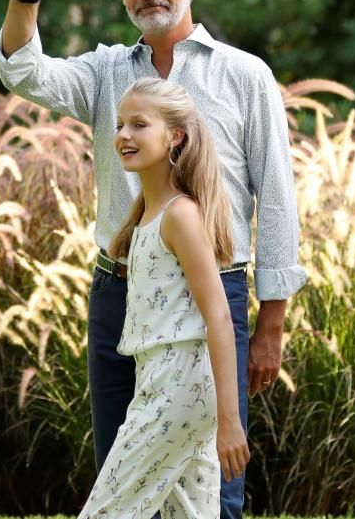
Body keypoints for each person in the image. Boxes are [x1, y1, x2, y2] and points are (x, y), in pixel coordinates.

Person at [0, 0, 306, 519]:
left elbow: (277, 198)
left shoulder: (244, 76)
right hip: (118, 297)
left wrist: (271, 323)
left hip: (213, 299)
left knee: (210, 491)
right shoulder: (108, 72)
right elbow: (23, 72)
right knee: (124, 474)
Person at [77, 78, 249, 518]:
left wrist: (230, 420)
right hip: (158, 379)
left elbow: (219, 317)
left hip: (179, 386)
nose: (123, 136)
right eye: (119, 125)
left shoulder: (181, 215)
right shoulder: (147, 216)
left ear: (175, 135)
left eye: (139, 124)